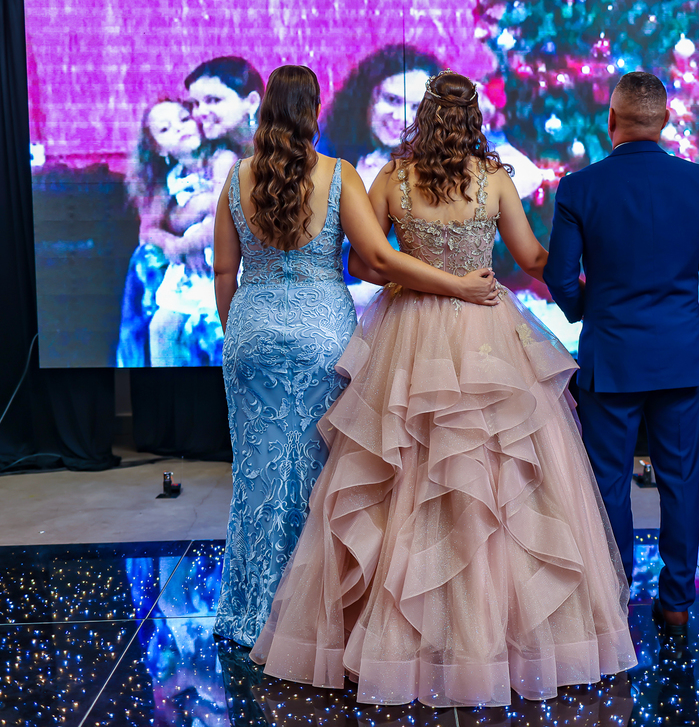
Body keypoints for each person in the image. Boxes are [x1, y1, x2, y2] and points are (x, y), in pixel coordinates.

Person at [250, 72, 636, 707]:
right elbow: (533, 260)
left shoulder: (392, 178)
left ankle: (398, 642)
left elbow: (363, 262)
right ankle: (496, 641)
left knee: (402, 472)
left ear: (423, 117)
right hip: (486, 326)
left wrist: (418, 278)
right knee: (501, 475)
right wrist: (603, 280)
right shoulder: (495, 180)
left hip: (409, 330)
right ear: (474, 118)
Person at [211, 66, 501, 650]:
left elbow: (223, 270)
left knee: (256, 475)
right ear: (314, 112)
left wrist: (237, 328)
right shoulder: (339, 174)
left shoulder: (235, 177)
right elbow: (378, 260)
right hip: (323, 336)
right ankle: (314, 620)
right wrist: (458, 286)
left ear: (264, 111)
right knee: (326, 478)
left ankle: (251, 615)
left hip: (251, 335)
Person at [544, 71, 699, 641]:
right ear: (666, 120)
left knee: (609, 485)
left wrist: (592, 312)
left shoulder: (579, 188)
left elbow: (560, 277)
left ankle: (614, 600)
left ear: (611, 121)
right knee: (681, 483)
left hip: (613, 358)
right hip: (681, 356)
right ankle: (676, 604)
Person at [116, 98, 223, 367]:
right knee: (160, 329)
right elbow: (147, 229)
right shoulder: (171, 179)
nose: (178, 128)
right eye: (165, 129)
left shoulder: (222, 160)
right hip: (191, 266)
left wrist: (190, 242)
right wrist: (173, 244)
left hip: (228, 256)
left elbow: (225, 211)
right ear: (158, 147)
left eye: (184, 119)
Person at [320, 44, 441, 192]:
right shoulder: (320, 146)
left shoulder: (443, 164)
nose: (400, 117)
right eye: (392, 99)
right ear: (365, 96)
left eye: (417, 107)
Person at [186, 56, 264, 168]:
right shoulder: (213, 155)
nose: (199, 113)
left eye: (213, 100)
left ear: (252, 102)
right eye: (195, 103)